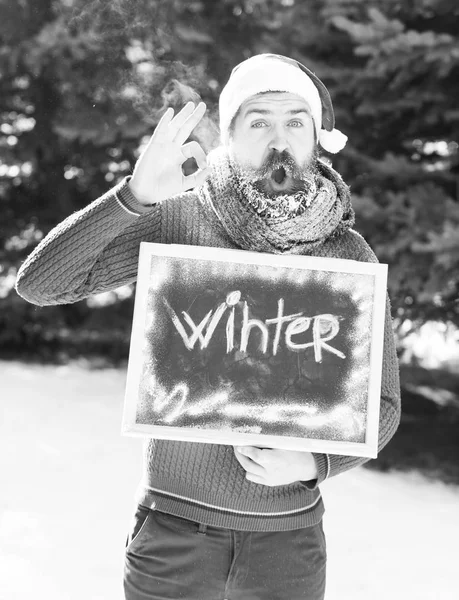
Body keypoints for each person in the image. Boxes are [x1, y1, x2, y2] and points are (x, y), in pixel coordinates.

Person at [16, 53, 401, 600]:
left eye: (295, 121)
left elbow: (381, 406)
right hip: (172, 535)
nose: (279, 138)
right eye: (259, 121)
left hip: (286, 546)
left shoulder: (348, 256)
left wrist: (319, 461)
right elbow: (40, 283)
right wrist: (134, 197)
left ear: (316, 139)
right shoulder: (181, 219)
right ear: (230, 135)